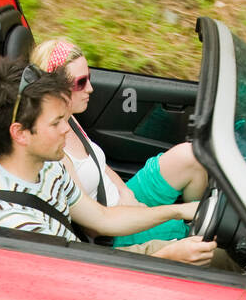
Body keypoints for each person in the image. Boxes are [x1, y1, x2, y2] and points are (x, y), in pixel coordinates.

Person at [0, 56, 225, 267]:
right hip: (90, 278)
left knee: (219, 254)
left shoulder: (49, 166)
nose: (66, 129)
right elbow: (77, 292)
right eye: (55, 122)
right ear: (20, 133)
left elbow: (103, 218)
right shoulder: (16, 224)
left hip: (88, 260)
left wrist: (179, 210)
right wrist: (169, 257)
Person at [31, 37, 210, 250]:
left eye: (89, 77)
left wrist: (126, 192)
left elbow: (99, 163)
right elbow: (94, 225)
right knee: (197, 239)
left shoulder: (68, 116)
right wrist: (138, 212)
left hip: (123, 197)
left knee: (190, 156)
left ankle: (197, 211)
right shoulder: (53, 150)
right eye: (81, 82)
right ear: (55, 89)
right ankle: (194, 221)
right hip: (113, 230)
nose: (90, 88)